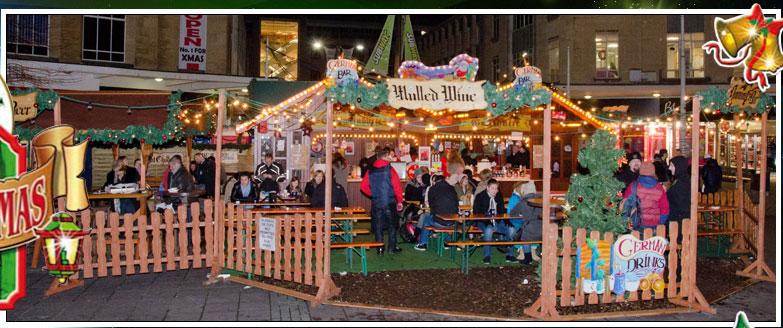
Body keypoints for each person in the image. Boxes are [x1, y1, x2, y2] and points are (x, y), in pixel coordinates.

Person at [360, 146, 404, 256]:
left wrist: (373, 194)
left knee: (378, 226)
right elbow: (397, 187)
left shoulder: (370, 171)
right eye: (388, 156)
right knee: (392, 225)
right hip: (389, 201)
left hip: (376, 202)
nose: (390, 158)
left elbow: (363, 187)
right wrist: (400, 201)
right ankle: (391, 247)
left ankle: (380, 249)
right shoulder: (391, 170)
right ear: (384, 158)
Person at [414, 171, 461, 251]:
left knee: (426, 220)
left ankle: (422, 243)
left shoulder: (432, 189)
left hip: (439, 221)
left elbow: (431, 205)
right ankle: (447, 242)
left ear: (435, 181)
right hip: (453, 220)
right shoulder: (452, 188)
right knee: (446, 221)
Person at [473, 179, 516, 264]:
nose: (495, 191)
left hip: (496, 221)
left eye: (496, 188)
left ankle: (509, 254)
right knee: (488, 229)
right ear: (487, 188)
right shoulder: (480, 196)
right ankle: (487, 255)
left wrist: (505, 219)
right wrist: (486, 219)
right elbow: (476, 213)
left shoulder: (498, 195)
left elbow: (502, 210)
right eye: (492, 188)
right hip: (483, 221)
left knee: (511, 229)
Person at [623, 162, 669, 230]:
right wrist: (660, 223)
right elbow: (665, 210)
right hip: (654, 225)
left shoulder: (633, 186)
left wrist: (628, 223)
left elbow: (625, 205)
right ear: (653, 172)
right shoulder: (659, 188)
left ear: (640, 172)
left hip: (636, 224)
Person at [508, 181, 542, 265]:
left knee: (524, 235)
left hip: (529, 229)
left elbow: (512, 214)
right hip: (543, 228)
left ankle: (527, 258)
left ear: (524, 191)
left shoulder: (522, 202)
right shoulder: (542, 200)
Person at [666, 156, 690, 235]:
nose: (669, 168)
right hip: (676, 217)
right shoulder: (678, 179)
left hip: (679, 218)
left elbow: (677, 199)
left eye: (672, 166)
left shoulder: (683, 182)